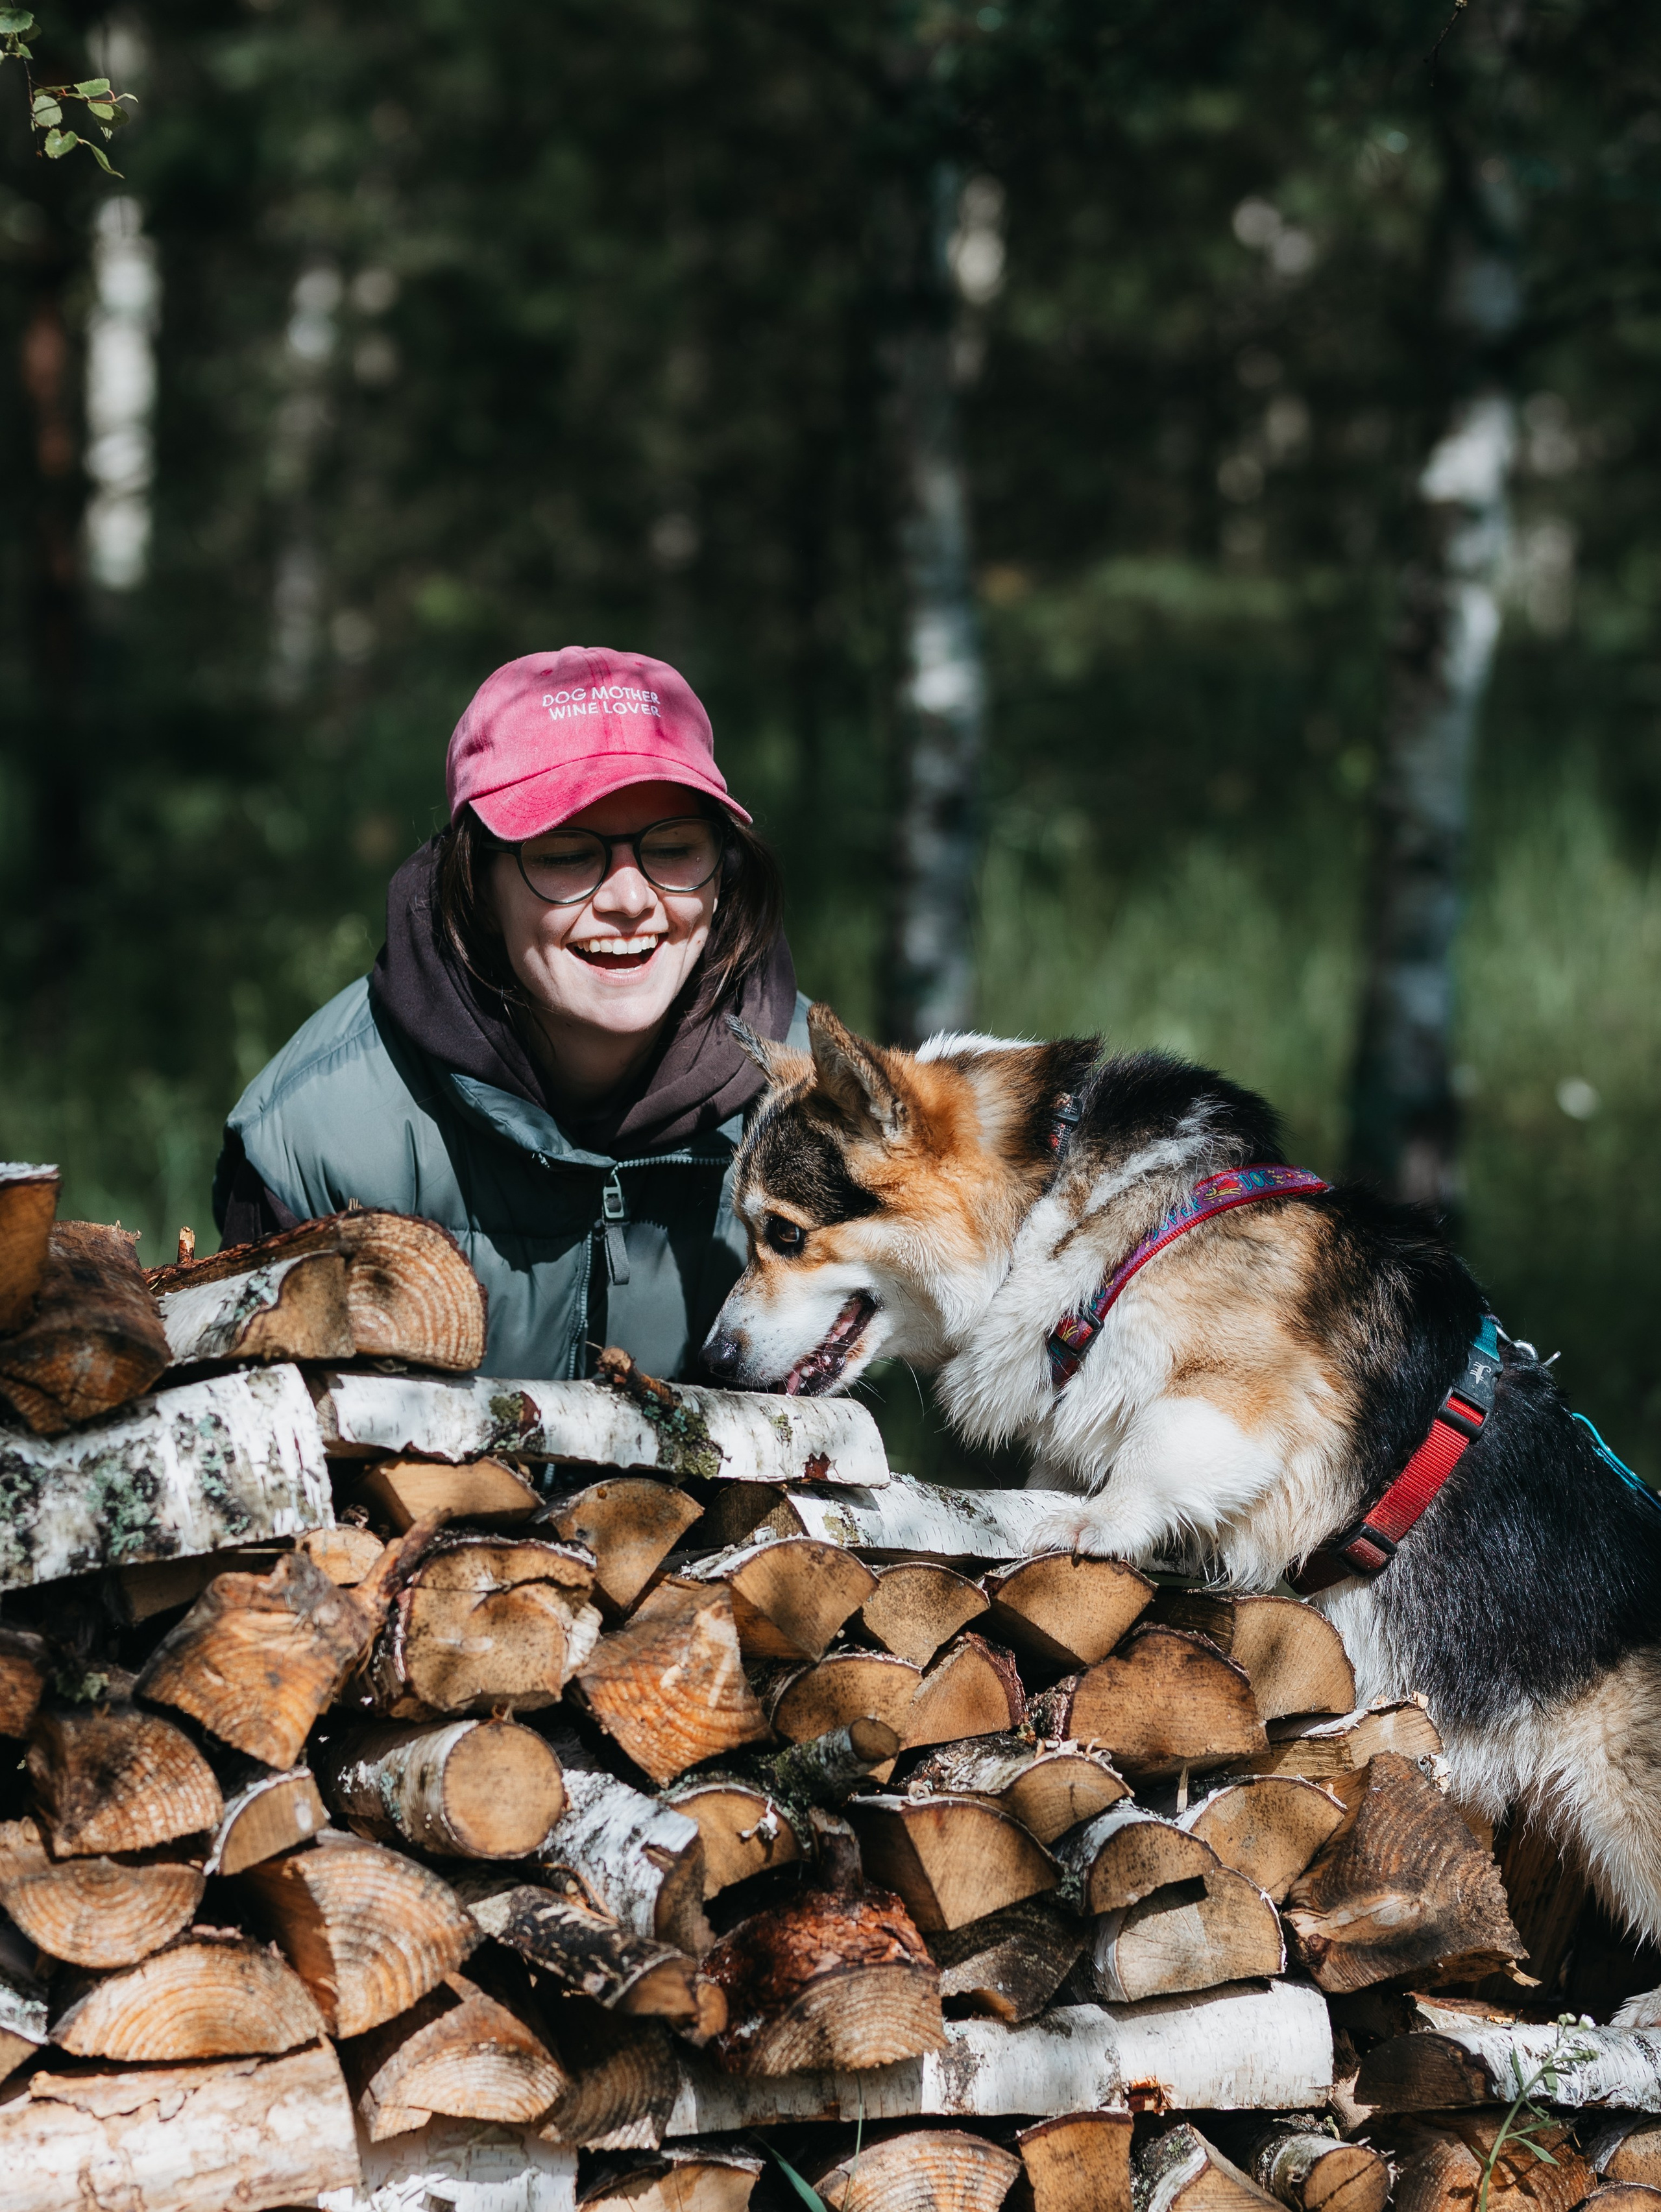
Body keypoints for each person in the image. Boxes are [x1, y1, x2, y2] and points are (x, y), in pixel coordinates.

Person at [212, 647, 807, 1379]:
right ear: (477, 882)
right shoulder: (312, 1138)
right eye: (566, 854)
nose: (628, 898)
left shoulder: (818, 1102)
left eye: (675, 847)